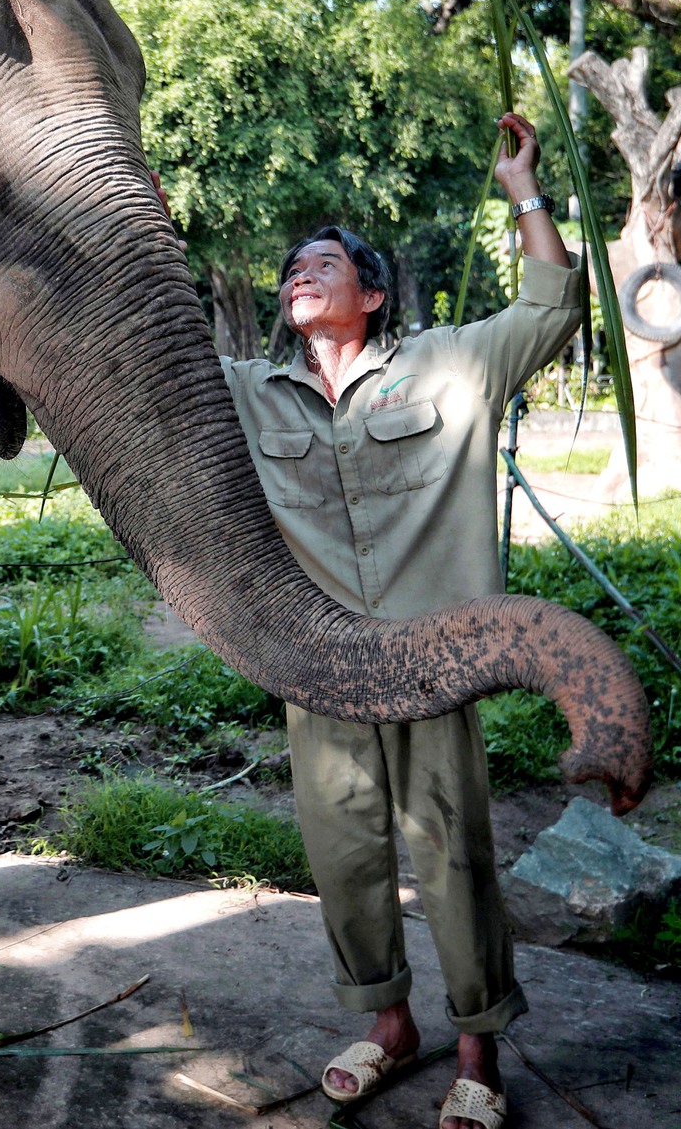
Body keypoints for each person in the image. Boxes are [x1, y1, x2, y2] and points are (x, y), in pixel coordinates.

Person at [217, 113, 581, 1129]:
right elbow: (132, 369)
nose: (301, 273)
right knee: (342, 852)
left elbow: (551, 307)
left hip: (433, 659)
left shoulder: (451, 366)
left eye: (324, 263)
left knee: (451, 849)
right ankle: (386, 1026)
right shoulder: (249, 392)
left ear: (371, 294)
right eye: (292, 267)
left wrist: (521, 190)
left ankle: (476, 1047)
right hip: (319, 663)